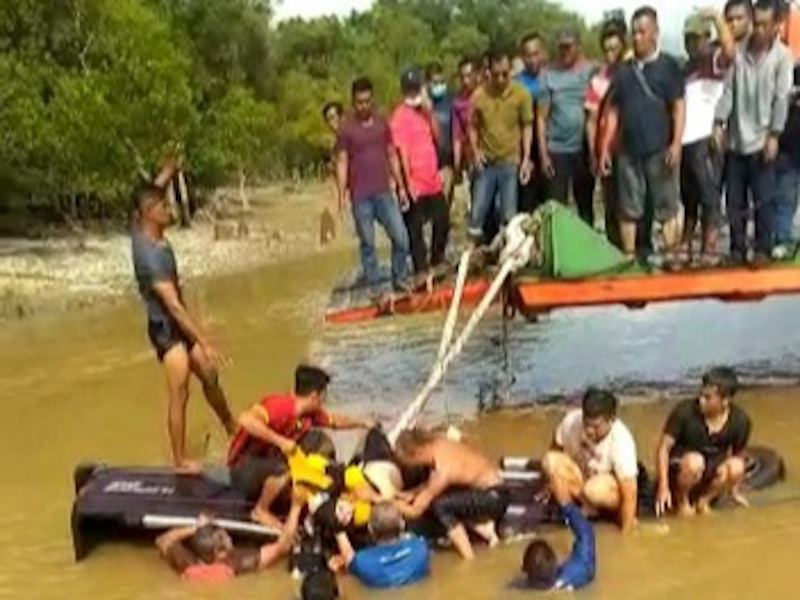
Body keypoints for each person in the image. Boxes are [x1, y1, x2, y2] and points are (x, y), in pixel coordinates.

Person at [131, 159, 236, 474]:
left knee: (209, 376)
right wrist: (204, 340)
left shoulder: (140, 226)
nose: (169, 210)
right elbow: (174, 307)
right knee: (180, 390)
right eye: (164, 207)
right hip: (165, 328)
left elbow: (150, 193)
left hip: (178, 321)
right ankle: (179, 461)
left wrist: (168, 171)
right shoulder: (150, 258)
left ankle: (232, 428)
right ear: (150, 213)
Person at [227, 365, 372, 530]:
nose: (323, 403)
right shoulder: (279, 406)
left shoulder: (308, 414)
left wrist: (362, 422)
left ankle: (301, 489)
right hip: (243, 468)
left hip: (268, 459)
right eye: (323, 397)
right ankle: (261, 510)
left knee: (319, 441)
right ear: (314, 396)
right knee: (284, 468)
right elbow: (245, 420)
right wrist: (280, 441)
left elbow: (334, 421)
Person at [599, 6, 686, 267]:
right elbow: (614, 112)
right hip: (629, 150)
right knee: (629, 208)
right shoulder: (623, 71)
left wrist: (676, 143)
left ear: (655, 33)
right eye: (634, 32)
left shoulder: (669, 66)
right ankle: (628, 257)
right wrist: (605, 148)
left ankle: (671, 256)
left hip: (660, 149)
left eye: (642, 32)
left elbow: (678, 107)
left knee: (667, 206)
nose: (637, 37)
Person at [714, 0, 794, 265]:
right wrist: (719, 122)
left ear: (775, 26)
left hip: (762, 141)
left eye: (763, 24)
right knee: (734, 201)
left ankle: (763, 249)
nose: (758, 29)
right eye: (755, 23)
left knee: (763, 200)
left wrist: (774, 134)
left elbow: (781, 99)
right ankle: (737, 250)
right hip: (737, 140)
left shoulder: (782, 58)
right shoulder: (738, 53)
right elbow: (728, 91)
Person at [336, 76, 412, 293]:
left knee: (401, 237)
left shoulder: (381, 124)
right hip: (360, 196)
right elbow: (342, 161)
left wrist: (401, 187)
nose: (363, 106)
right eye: (359, 102)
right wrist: (341, 197)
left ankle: (400, 278)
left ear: (372, 100)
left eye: (367, 101)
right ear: (353, 102)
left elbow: (392, 155)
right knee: (368, 243)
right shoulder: (346, 129)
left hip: (383, 192)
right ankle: (375, 287)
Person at [393, 428, 509, 560]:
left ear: (417, 453)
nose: (409, 466)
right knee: (438, 497)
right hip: (491, 489)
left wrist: (389, 503)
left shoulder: (443, 471)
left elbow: (415, 511)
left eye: (408, 462)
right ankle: (484, 529)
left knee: (441, 506)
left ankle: (469, 556)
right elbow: (430, 485)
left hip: (494, 499)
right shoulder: (440, 442)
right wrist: (412, 493)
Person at [655, 367, 752, 518]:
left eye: (708, 398)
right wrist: (663, 486)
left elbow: (738, 454)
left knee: (737, 466)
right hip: (683, 468)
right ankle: (682, 503)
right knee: (695, 462)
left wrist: (735, 490)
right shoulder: (684, 412)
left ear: (725, 401)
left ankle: (704, 501)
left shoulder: (740, 420)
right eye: (701, 395)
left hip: (711, 469)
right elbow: (663, 448)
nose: (701, 400)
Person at [680, 9, 735, 266]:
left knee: (709, 196)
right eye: (688, 39)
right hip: (686, 140)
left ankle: (709, 247)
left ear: (706, 37)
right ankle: (686, 245)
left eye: (697, 38)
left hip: (706, 138)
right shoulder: (685, 67)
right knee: (689, 197)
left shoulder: (714, 59)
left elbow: (730, 52)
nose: (692, 43)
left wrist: (716, 18)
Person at [542, 388, 638, 533]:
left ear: (610, 421)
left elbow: (630, 492)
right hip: (581, 478)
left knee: (593, 490)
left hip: (607, 486)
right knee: (549, 461)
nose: (589, 431)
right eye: (586, 424)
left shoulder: (622, 441)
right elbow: (555, 447)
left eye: (595, 427)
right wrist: (549, 482)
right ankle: (574, 512)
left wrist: (626, 533)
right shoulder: (571, 421)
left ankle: (596, 508)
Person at [390, 68, 450, 287]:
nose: (414, 93)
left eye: (417, 88)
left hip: (432, 179)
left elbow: (439, 138)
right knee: (415, 229)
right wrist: (407, 183)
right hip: (414, 181)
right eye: (410, 89)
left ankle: (437, 260)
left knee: (442, 220)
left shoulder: (425, 112)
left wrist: (430, 112)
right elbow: (402, 152)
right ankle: (421, 270)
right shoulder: (399, 117)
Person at [468, 48, 535, 244]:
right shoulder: (479, 96)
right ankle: (473, 252)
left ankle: (507, 254)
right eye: (496, 74)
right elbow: (472, 126)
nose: (500, 79)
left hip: (510, 161)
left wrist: (526, 159)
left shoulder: (521, 94)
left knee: (508, 215)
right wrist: (475, 151)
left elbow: (527, 126)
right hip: (487, 162)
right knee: (477, 213)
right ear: (488, 71)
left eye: (505, 74)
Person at [155, 494, 303, 581]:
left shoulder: (187, 565)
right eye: (227, 538)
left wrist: (196, 527)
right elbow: (284, 545)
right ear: (220, 553)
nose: (230, 539)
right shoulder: (237, 564)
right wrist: (296, 506)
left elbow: (163, 540)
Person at [537, 26, 597, 226]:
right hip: (556, 149)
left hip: (582, 149)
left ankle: (587, 241)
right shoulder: (548, 74)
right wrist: (544, 155)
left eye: (569, 47)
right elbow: (541, 117)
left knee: (585, 204)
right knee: (556, 207)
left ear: (578, 46)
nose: (565, 52)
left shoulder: (590, 71)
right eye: (561, 47)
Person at [511, 461, 595, 592]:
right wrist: (566, 504)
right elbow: (585, 533)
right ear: (555, 562)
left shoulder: (518, 588)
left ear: (524, 570)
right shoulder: (578, 573)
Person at [586, 20, 628, 248]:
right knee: (610, 204)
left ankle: (637, 250)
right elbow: (592, 120)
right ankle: (614, 249)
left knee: (631, 205)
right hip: (607, 151)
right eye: (607, 48)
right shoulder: (598, 80)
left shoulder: (633, 73)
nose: (611, 53)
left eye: (615, 47)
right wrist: (594, 152)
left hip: (631, 150)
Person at [334, 502, 430, 589]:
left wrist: (338, 530)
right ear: (402, 525)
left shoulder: (363, 561)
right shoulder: (421, 548)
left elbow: (348, 558)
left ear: (370, 529)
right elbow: (411, 537)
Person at [516, 33, 549, 213]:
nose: (533, 59)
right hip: (524, 149)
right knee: (526, 202)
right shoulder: (516, 84)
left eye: (536, 53)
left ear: (543, 53)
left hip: (550, 147)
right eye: (528, 55)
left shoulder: (551, 78)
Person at [773, 65, 800, 259]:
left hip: (789, 150)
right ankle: (781, 241)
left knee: (786, 198)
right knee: (785, 199)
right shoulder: (791, 74)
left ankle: (783, 239)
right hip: (789, 150)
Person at [426, 61, 457, 207]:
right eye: (435, 82)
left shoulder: (451, 101)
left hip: (447, 161)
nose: (439, 86)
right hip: (428, 163)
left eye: (441, 82)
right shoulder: (422, 104)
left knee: (444, 204)